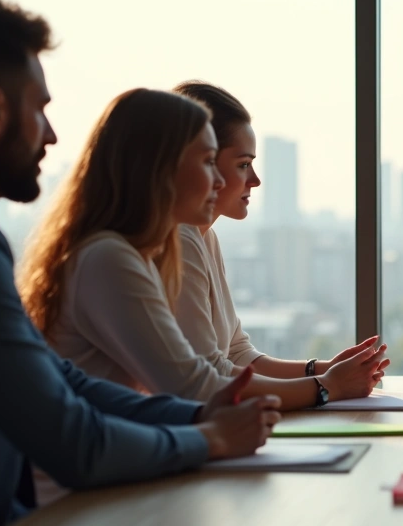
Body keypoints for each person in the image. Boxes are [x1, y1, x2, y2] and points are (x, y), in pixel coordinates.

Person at [0, 0, 281, 526]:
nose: (52, 135)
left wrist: (199, 420)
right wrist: (209, 437)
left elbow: (63, 381)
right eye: (39, 109)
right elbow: (74, 440)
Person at [19, 89, 381, 410]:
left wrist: (324, 375)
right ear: (163, 168)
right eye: (210, 162)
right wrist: (325, 386)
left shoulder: (146, 248)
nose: (221, 181)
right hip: (99, 461)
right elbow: (196, 385)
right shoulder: (111, 258)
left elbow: (228, 357)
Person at [167, 81, 390, 385]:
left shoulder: (206, 238)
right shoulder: (181, 240)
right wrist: (326, 387)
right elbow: (211, 374)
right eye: (243, 164)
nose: (255, 180)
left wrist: (323, 370)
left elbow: (237, 353)